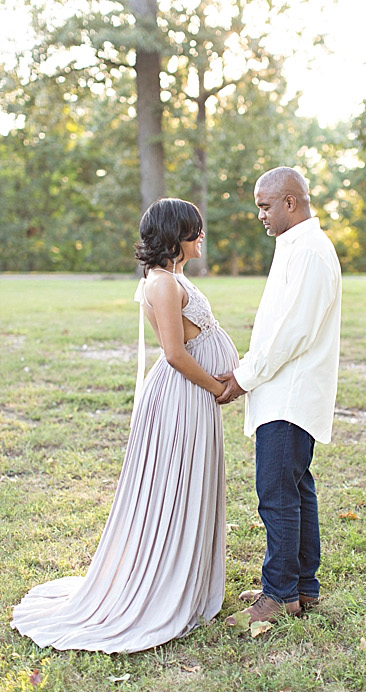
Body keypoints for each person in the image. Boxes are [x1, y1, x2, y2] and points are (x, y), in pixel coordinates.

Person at [10, 199, 235, 653]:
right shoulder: (165, 284)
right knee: (172, 487)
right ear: (176, 234)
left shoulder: (170, 278)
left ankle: (181, 572)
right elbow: (174, 354)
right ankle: (161, 582)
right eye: (195, 229)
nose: (201, 236)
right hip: (184, 396)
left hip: (188, 397)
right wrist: (216, 386)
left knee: (181, 486)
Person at [217, 166, 342, 630]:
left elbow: (292, 333)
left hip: (290, 395)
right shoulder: (294, 246)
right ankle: (301, 585)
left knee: (276, 494)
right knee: (294, 487)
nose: (261, 216)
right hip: (282, 392)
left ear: (291, 201)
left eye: (265, 206)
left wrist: (244, 376)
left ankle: (279, 594)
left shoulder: (310, 250)